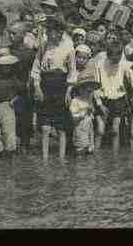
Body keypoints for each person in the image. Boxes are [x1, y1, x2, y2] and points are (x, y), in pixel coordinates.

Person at [31, 17, 78, 161]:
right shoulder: (44, 46)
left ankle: (61, 159)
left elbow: (72, 71)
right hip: (45, 85)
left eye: (52, 31)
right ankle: (45, 160)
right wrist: (37, 86)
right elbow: (36, 67)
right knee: (45, 127)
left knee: (61, 128)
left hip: (61, 87)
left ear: (60, 32)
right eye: (48, 30)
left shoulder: (69, 47)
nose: (49, 33)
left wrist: (69, 90)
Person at [94, 34, 133, 150]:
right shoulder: (99, 64)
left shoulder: (122, 63)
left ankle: (115, 159)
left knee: (115, 131)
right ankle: (95, 157)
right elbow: (94, 85)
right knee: (100, 130)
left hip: (118, 99)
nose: (117, 61)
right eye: (114, 59)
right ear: (108, 55)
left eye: (119, 58)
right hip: (103, 99)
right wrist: (99, 104)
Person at [8, 21, 37, 153]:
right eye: (9, 33)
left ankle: (24, 152)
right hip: (8, 91)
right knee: (9, 125)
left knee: (24, 124)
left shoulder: (30, 53)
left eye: (14, 33)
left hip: (24, 92)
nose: (10, 36)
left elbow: (34, 72)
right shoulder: (6, 50)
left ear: (23, 35)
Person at [70, 65, 100, 156]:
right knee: (80, 150)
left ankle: (88, 168)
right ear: (79, 89)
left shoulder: (88, 100)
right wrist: (84, 112)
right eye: (86, 88)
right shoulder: (75, 101)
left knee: (90, 150)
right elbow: (74, 118)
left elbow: (92, 114)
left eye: (90, 89)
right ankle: (80, 168)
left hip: (89, 128)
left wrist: (91, 110)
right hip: (80, 129)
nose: (89, 90)